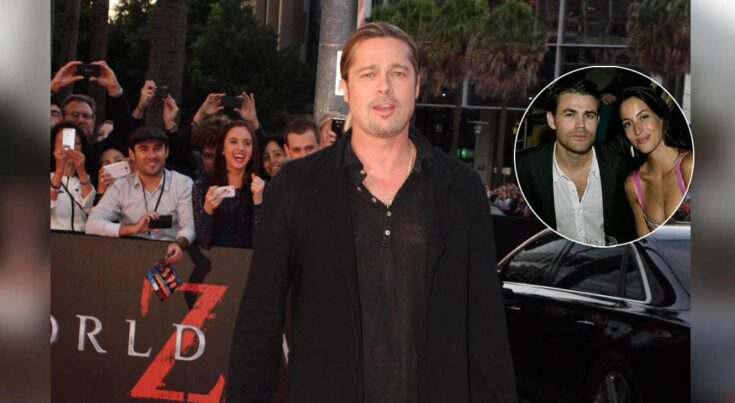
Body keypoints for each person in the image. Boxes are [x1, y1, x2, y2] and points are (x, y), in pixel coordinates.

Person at [227, 22, 516, 403]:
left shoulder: (461, 189)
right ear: (345, 87)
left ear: (416, 85)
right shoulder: (295, 187)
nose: (384, 87)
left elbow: (484, 324)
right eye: (368, 74)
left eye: (398, 73)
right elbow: (261, 316)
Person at [515, 75, 635, 245]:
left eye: (589, 115)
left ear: (598, 120)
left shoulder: (623, 169)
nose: (581, 125)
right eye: (570, 114)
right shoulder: (524, 169)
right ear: (552, 120)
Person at [85, 126, 194, 265]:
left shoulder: (183, 183)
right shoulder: (120, 186)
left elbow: (189, 225)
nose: (151, 156)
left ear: (167, 152)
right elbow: (92, 224)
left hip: (170, 259)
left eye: (157, 149)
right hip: (129, 259)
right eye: (144, 149)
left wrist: (179, 245)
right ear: (132, 154)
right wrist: (133, 228)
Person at [617, 86, 693, 237]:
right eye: (627, 123)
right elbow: (646, 245)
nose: (637, 130)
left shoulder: (689, 165)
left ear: (661, 117)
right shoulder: (633, 185)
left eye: (644, 117)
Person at [192, 121, 265, 249]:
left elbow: (262, 244)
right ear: (222, 149)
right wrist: (208, 210)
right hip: (215, 260)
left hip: (250, 261)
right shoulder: (202, 185)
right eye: (233, 142)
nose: (241, 148)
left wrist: (258, 202)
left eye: (247, 143)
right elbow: (204, 243)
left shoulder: (262, 188)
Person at [50, 122, 95, 232]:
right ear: (53, 147)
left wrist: (81, 172)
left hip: (80, 239)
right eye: (63, 142)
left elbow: (89, 207)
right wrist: (59, 171)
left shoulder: (86, 180)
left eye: (77, 143)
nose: (71, 147)